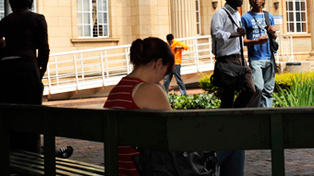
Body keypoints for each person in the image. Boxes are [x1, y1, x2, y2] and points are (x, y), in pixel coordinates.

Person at [104, 37, 245, 176]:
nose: (163, 79)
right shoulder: (149, 89)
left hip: (121, 168)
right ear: (158, 64)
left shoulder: (116, 90)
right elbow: (176, 137)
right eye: (165, 73)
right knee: (235, 140)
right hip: (148, 169)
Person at [0, 0, 49, 153]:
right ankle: (32, 156)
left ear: (11, 4)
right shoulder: (38, 19)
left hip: (6, 71)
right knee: (31, 119)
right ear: (30, 2)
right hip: (27, 69)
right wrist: (39, 74)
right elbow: (44, 51)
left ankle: (12, 157)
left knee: (10, 118)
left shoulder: (6, 21)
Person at [210, 0, 255, 109]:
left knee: (250, 89)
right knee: (228, 94)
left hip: (239, 57)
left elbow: (238, 35)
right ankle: (229, 117)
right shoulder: (220, 13)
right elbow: (216, 33)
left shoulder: (237, 14)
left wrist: (241, 34)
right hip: (227, 58)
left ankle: (235, 113)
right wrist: (235, 34)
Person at [241, 0, 277, 108]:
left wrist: (273, 32)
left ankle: (267, 115)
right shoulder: (245, 18)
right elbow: (240, 42)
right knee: (258, 88)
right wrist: (256, 41)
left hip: (269, 58)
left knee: (268, 91)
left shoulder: (268, 16)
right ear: (250, 0)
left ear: (264, 0)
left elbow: (274, 37)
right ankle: (253, 112)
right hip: (255, 59)